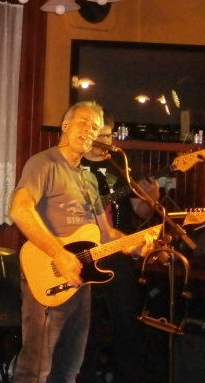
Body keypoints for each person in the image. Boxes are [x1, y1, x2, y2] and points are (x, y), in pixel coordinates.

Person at [9, 101, 153, 383]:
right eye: (83, 122)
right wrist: (59, 254)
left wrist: (136, 245)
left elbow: (105, 234)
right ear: (65, 125)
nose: (89, 130)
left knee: (68, 369)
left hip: (81, 281)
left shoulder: (89, 179)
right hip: (48, 278)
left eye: (95, 127)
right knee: (35, 370)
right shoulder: (44, 163)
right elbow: (19, 210)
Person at [80, 117, 160, 383]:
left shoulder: (119, 164)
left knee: (127, 322)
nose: (106, 141)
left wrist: (152, 199)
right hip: (83, 253)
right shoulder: (74, 164)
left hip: (119, 252)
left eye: (109, 135)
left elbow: (141, 210)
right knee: (83, 325)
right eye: (100, 135)